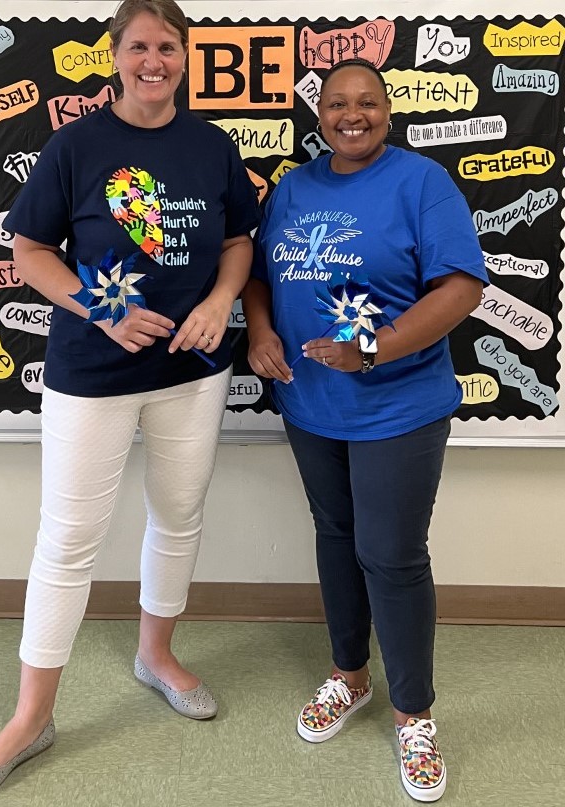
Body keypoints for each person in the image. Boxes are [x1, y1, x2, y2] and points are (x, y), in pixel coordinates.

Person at [0, 0, 259, 799]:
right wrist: (101, 309)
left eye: (169, 47)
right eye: (139, 47)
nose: (154, 61)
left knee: (179, 513)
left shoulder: (211, 145)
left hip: (194, 369)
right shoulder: (75, 144)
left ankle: (156, 656)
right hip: (92, 373)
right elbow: (28, 250)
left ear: (186, 57)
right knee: (68, 538)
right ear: (114, 56)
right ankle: (31, 717)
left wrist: (221, 300)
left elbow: (236, 240)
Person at [242, 58, 487, 803]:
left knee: (391, 554)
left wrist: (373, 350)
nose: (354, 115)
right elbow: (257, 272)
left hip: (399, 406)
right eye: (338, 104)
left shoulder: (420, 182)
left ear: (388, 109)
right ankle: (350, 675)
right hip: (310, 404)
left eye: (368, 102)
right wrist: (257, 331)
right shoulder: (294, 187)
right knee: (337, 535)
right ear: (320, 114)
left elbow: (462, 287)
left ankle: (414, 713)